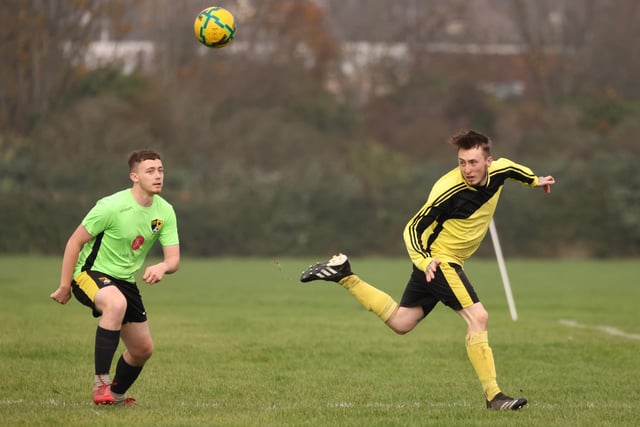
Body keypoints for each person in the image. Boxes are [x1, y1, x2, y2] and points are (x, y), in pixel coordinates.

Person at [300, 130, 555, 410]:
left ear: (488, 161)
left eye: (473, 162)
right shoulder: (446, 190)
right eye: (462, 162)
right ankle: (494, 396)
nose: (467, 169)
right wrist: (425, 261)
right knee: (478, 317)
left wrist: (536, 181)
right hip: (439, 261)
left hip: (438, 262)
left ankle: (345, 275)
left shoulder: (501, 169)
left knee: (401, 322)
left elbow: (516, 170)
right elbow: (412, 228)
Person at [50, 149, 180, 406]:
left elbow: (174, 259)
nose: (158, 176)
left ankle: (116, 395)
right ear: (134, 176)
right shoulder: (110, 207)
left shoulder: (165, 212)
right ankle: (101, 383)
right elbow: (74, 242)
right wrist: (65, 285)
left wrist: (163, 267)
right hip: (89, 273)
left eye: (161, 170)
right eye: (150, 171)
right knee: (116, 303)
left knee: (143, 350)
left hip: (124, 281)